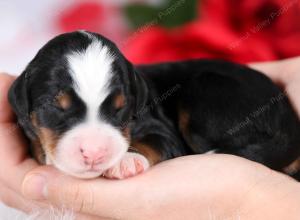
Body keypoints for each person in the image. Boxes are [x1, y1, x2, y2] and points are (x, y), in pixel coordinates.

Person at [0, 57, 300, 220]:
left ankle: (252, 154)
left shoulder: (142, 102)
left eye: (115, 113)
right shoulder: (28, 108)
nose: (92, 145)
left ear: (130, 101)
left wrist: (253, 199)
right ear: (25, 103)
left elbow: (161, 137)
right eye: (60, 113)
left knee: (198, 124)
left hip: (230, 93)